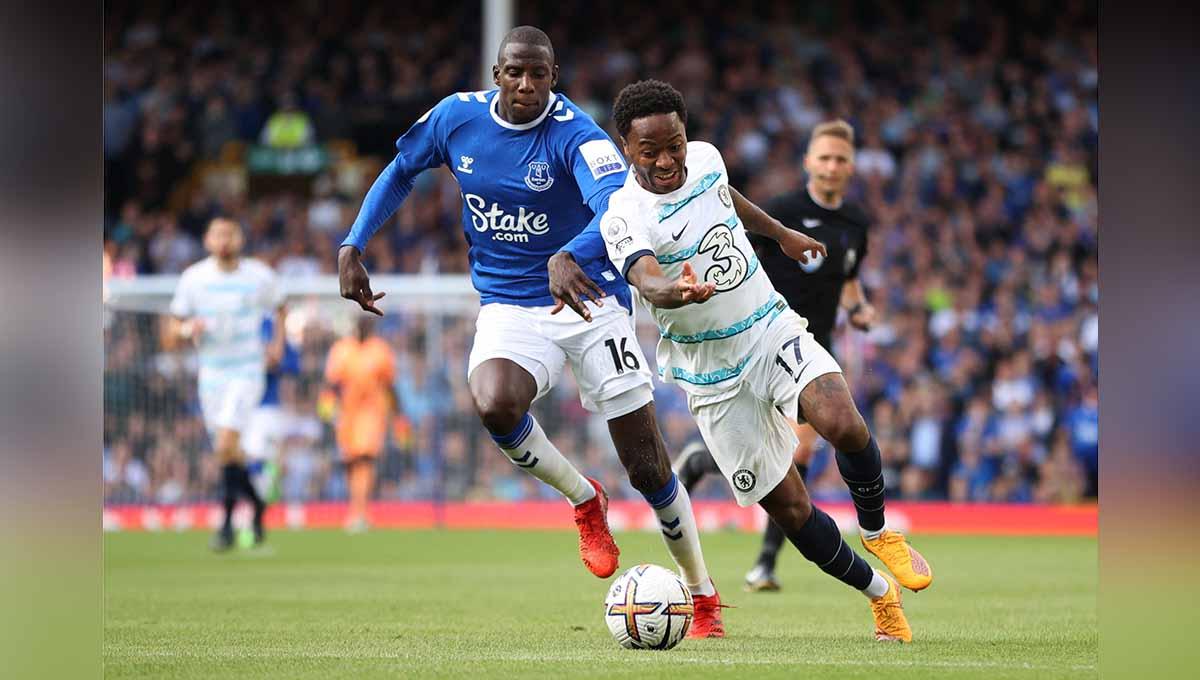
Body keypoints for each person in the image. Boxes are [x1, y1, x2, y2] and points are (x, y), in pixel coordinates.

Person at [336, 26, 724, 637]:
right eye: (514, 72)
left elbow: (617, 211)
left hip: (591, 300)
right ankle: (584, 500)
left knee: (649, 469)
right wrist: (354, 242)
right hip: (510, 305)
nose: (525, 84)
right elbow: (400, 170)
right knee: (493, 402)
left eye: (537, 74)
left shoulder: (577, 135)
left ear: (553, 76)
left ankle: (702, 594)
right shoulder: (455, 119)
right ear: (497, 73)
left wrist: (568, 253)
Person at [597, 79, 925, 641]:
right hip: (712, 374)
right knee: (792, 511)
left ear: (685, 135)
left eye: (673, 143)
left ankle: (878, 532)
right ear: (626, 148)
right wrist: (678, 290)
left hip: (768, 327)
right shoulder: (624, 215)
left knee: (843, 422)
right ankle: (880, 592)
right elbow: (646, 278)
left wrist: (781, 235)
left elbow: (728, 200)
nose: (667, 159)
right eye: (649, 151)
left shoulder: (705, 159)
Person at [673, 119, 908, 593]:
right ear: (808, 162)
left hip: (806, 347)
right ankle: (717, 483)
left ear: (851, 166)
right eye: (824, 157)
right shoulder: (780, 211)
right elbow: (736, 252)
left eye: (841, 159)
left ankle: (761, 558)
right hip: (756, 340)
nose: (832, 167)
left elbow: (845, 277)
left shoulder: (856, 225)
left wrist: (858, 308)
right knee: (783, 455)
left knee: (798, 450)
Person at [169, 217, 286, 551]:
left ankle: (225, 526)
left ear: (240, 238)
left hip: (247, 369)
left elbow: (280, 307)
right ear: (207, 240)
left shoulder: (259, 276)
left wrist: (276, 344)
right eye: (217, 234)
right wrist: (187, 330)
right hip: (212, 374)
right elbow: (172, 329)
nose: (223, 240)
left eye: (230, 234)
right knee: (228, 453)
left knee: (225, 443)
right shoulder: (194, 278)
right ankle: (258, 505)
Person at [323, 316, 398, 533]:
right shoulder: (342, 349)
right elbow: (331, 384)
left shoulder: (380, 350)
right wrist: (326, 409)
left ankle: (360, 513)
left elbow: (390, 386)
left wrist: (398, 416)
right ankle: (356, 509)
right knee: (351, 461)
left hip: (372, 413)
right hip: (347, 414)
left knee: (365, 458)